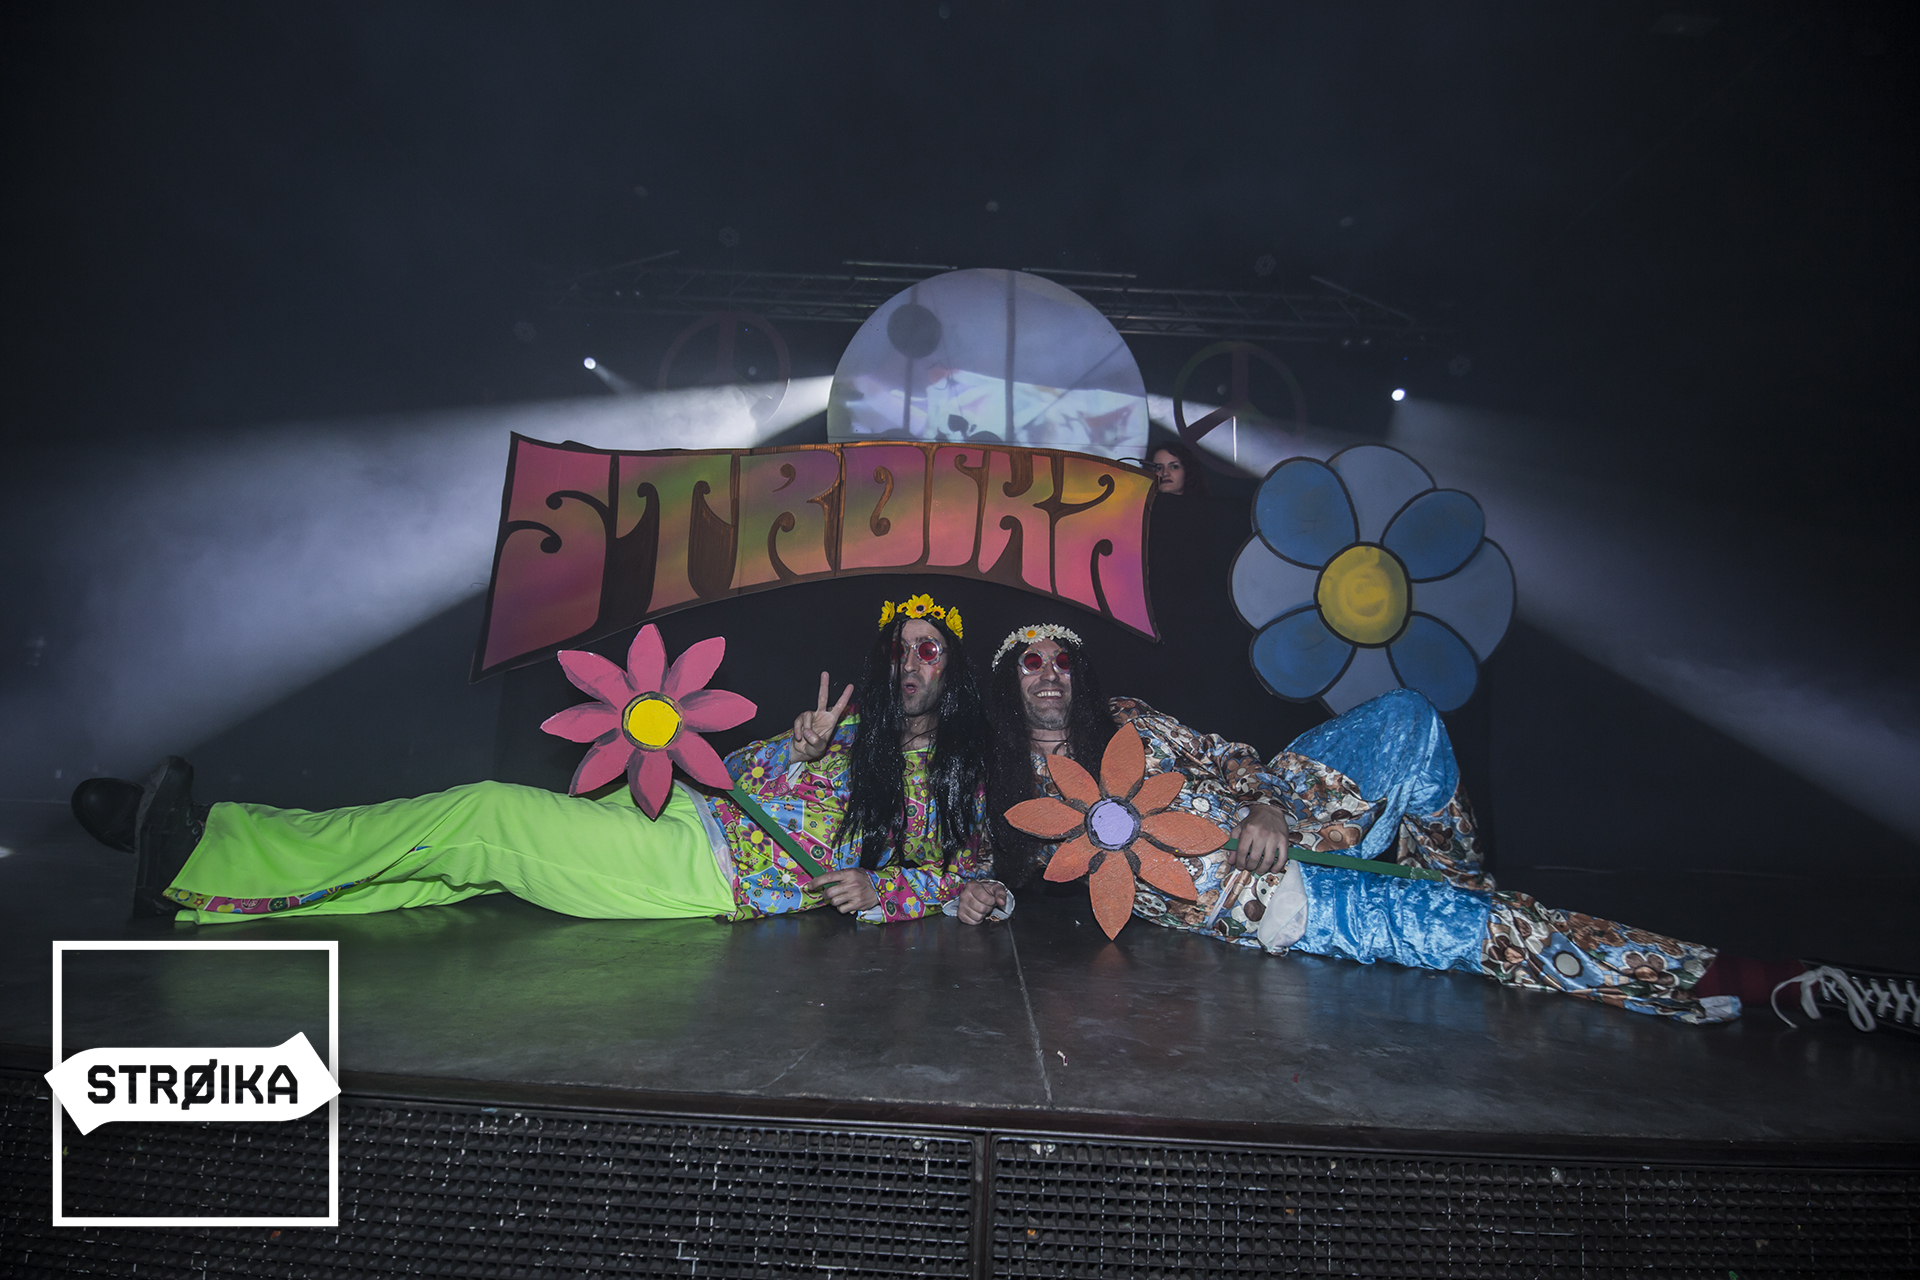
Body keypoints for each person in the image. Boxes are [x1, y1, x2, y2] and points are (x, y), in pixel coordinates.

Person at [985, 622, 1920, 1032]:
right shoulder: (1007, 784)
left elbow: (1228, 754)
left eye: (1062, 660)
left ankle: (1456, 876)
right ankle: (1772, 984)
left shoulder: (1133, 719)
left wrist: (1267, 801)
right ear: (1008, 685)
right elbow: (962, 846)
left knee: (1408, 715)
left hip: (1293, 815)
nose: (1051, 673)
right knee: (1506, 934)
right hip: (1285, 899)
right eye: (1031, 664)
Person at [69, 592, 1010, 930]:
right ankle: (210, 892)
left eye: (928, 648)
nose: (909, 661)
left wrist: (878, 889)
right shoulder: (844, 730)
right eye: (898, 647)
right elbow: (737, 777)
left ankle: (203, 848)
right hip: (681, 814)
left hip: (703, 870)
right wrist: (797, 751)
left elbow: (978, 883)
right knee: (453, 862)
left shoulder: (955, 780)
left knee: (483, 816)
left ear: (953, 672)